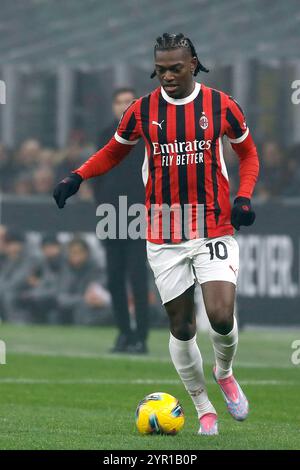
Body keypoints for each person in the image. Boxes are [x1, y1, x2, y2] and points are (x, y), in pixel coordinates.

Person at [53, 33, 259, 435]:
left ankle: (225, 373)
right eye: (160, 69)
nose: (166, 76)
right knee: (181, 327)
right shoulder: (141, 110)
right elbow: (115, 149)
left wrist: (245, 196)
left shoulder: (222, 105)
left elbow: (248, 152)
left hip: (213, 224)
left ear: (194, 64)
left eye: (175, 68)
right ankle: (203, 409)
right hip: (163, 231)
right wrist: (77, 175)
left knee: (219, 315)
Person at [92, 87, 149, 354]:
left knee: (138, 278)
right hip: (110, 214)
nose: (124, 106)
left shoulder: (148, 135)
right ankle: (124, 333)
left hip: (139, 215)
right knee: (114, 279)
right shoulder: (105, 135)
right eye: (119, 102)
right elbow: (97, 174)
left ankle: (142, 336)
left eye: (129, 102)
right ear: (113, 106)